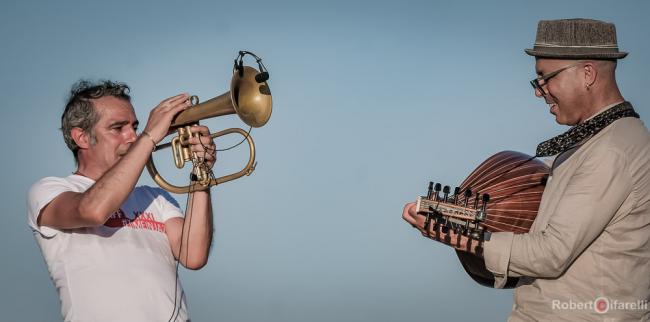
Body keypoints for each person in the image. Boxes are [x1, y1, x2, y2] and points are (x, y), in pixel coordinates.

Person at [402, 18, 650, 321]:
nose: (539, 91)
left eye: (546, 78)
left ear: (587, 74)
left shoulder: (612, 150)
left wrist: (463, 240)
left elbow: (551, 253)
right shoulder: (590, 145)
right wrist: (463, 221)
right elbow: (535, 230)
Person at [27, 80, 217, 321]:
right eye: (118, 128)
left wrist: (201, 173)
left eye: (135, 127)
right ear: (82, 138)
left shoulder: (154, 197)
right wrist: (148, 138)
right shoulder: (49, 190)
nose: (132, 136)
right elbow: (93, 211)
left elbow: (193, 255)